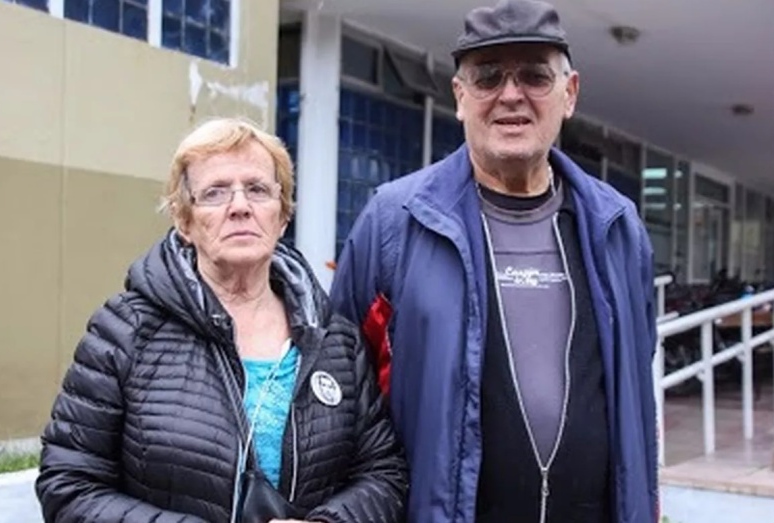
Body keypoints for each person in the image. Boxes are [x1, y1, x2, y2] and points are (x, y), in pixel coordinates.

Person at [330, 1, 658, 522]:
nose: (510, 95)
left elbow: (635, 391)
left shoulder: (617, 228)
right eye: (487, 77)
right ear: (460, 96)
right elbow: (341, 395)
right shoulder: (394, 221)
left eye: (534, 75)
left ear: (570, 93)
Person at [36, 118, 408, 522]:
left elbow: (383, 474)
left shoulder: (336, 341)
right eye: (215, 192)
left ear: (282, 215)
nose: (240, 206)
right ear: (184, 220)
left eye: (258, 189)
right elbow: (68, 485)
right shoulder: (124, 331)